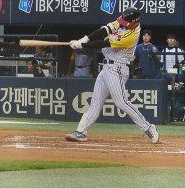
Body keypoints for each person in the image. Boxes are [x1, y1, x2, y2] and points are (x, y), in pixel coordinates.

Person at [64, 11, 160, 144]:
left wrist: (82, 45)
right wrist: (84, 39)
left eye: (125, 22)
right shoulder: (126, 22)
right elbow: (106, 29)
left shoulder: (130, 36)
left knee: (121, 102)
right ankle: (81, 132)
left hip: (117, 68)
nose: (122, 24)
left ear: (134, 23)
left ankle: (148, 127)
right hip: (107, 67)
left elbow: (103, 43)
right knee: (95, 102)